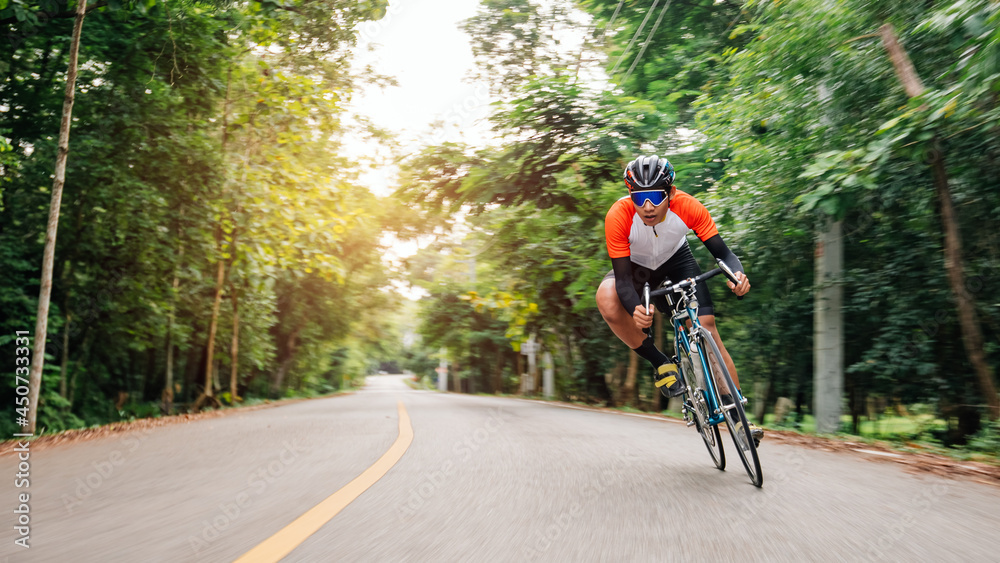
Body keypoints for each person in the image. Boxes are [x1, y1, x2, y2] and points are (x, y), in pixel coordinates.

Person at [596, 154, 763, 445]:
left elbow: (724, 255)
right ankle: (660, 362)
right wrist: (636, 309)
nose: (647, 207)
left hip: (676, 261)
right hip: (637, 269)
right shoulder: (619, 215)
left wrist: (738, 275)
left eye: (656, 196)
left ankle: (739, 420)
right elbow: (623, 280)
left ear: (671, 193)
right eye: (639, 197)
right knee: (608, 299)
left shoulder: (687, 206)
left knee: (707, 326)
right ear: (630, 195)